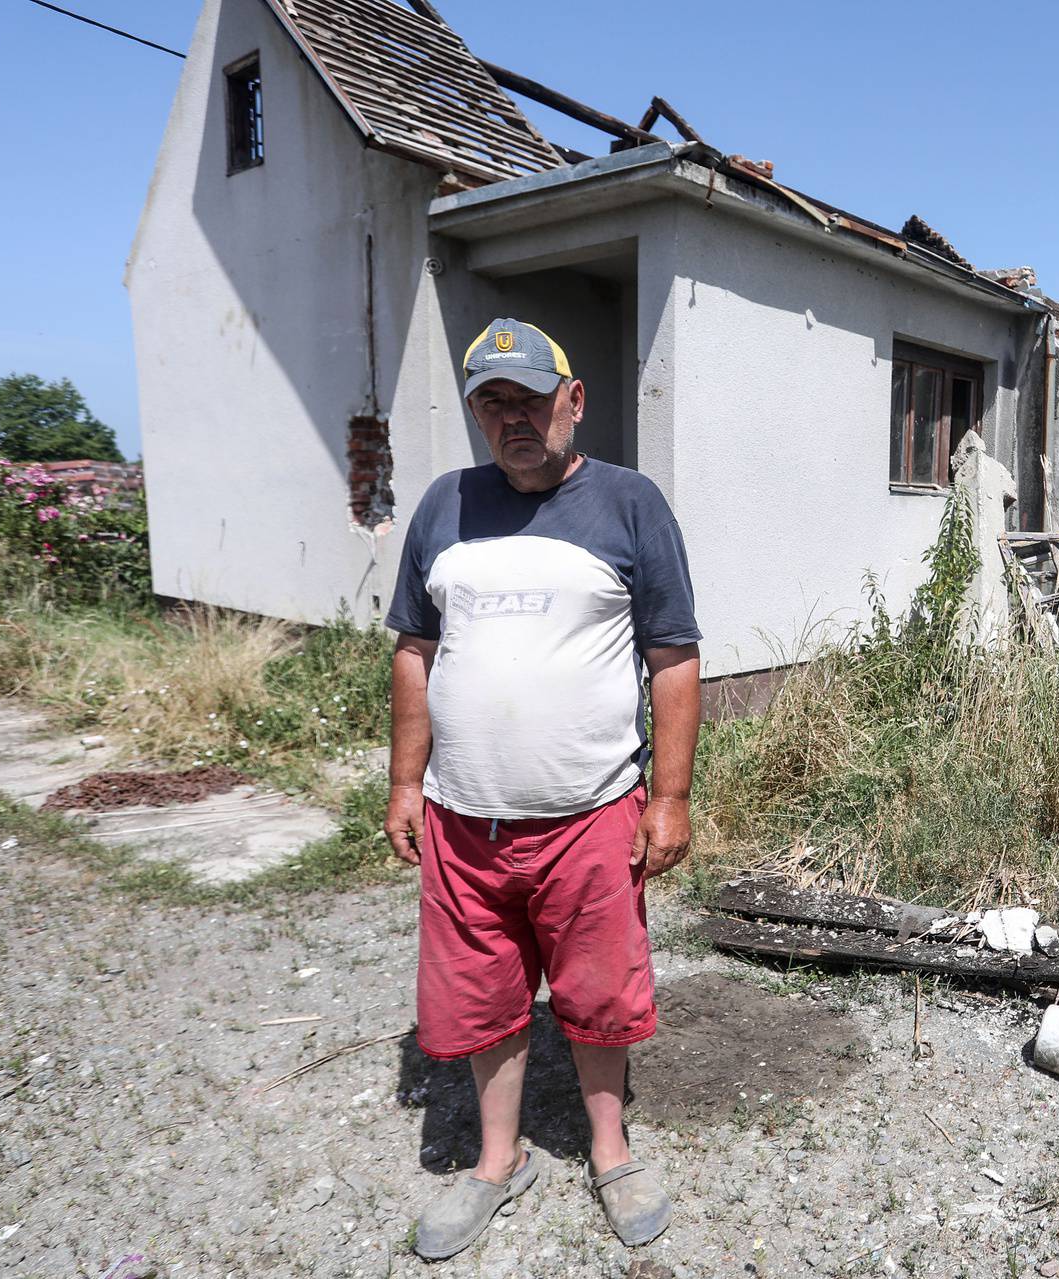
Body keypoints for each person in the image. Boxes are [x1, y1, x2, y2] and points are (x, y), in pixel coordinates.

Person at [382, 317, 701, 1261]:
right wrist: (406, 780)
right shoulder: (444, 505)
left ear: (574, 401)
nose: (512, 418)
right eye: (493, 403)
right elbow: (414, 648)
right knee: (482, 994)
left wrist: (670, 797)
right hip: (463, 817)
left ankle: (611, 1148)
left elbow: (674, 657)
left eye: (529, 398)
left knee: (600, 991)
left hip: (591, 816)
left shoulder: (630, 503)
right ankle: (497, 1159)